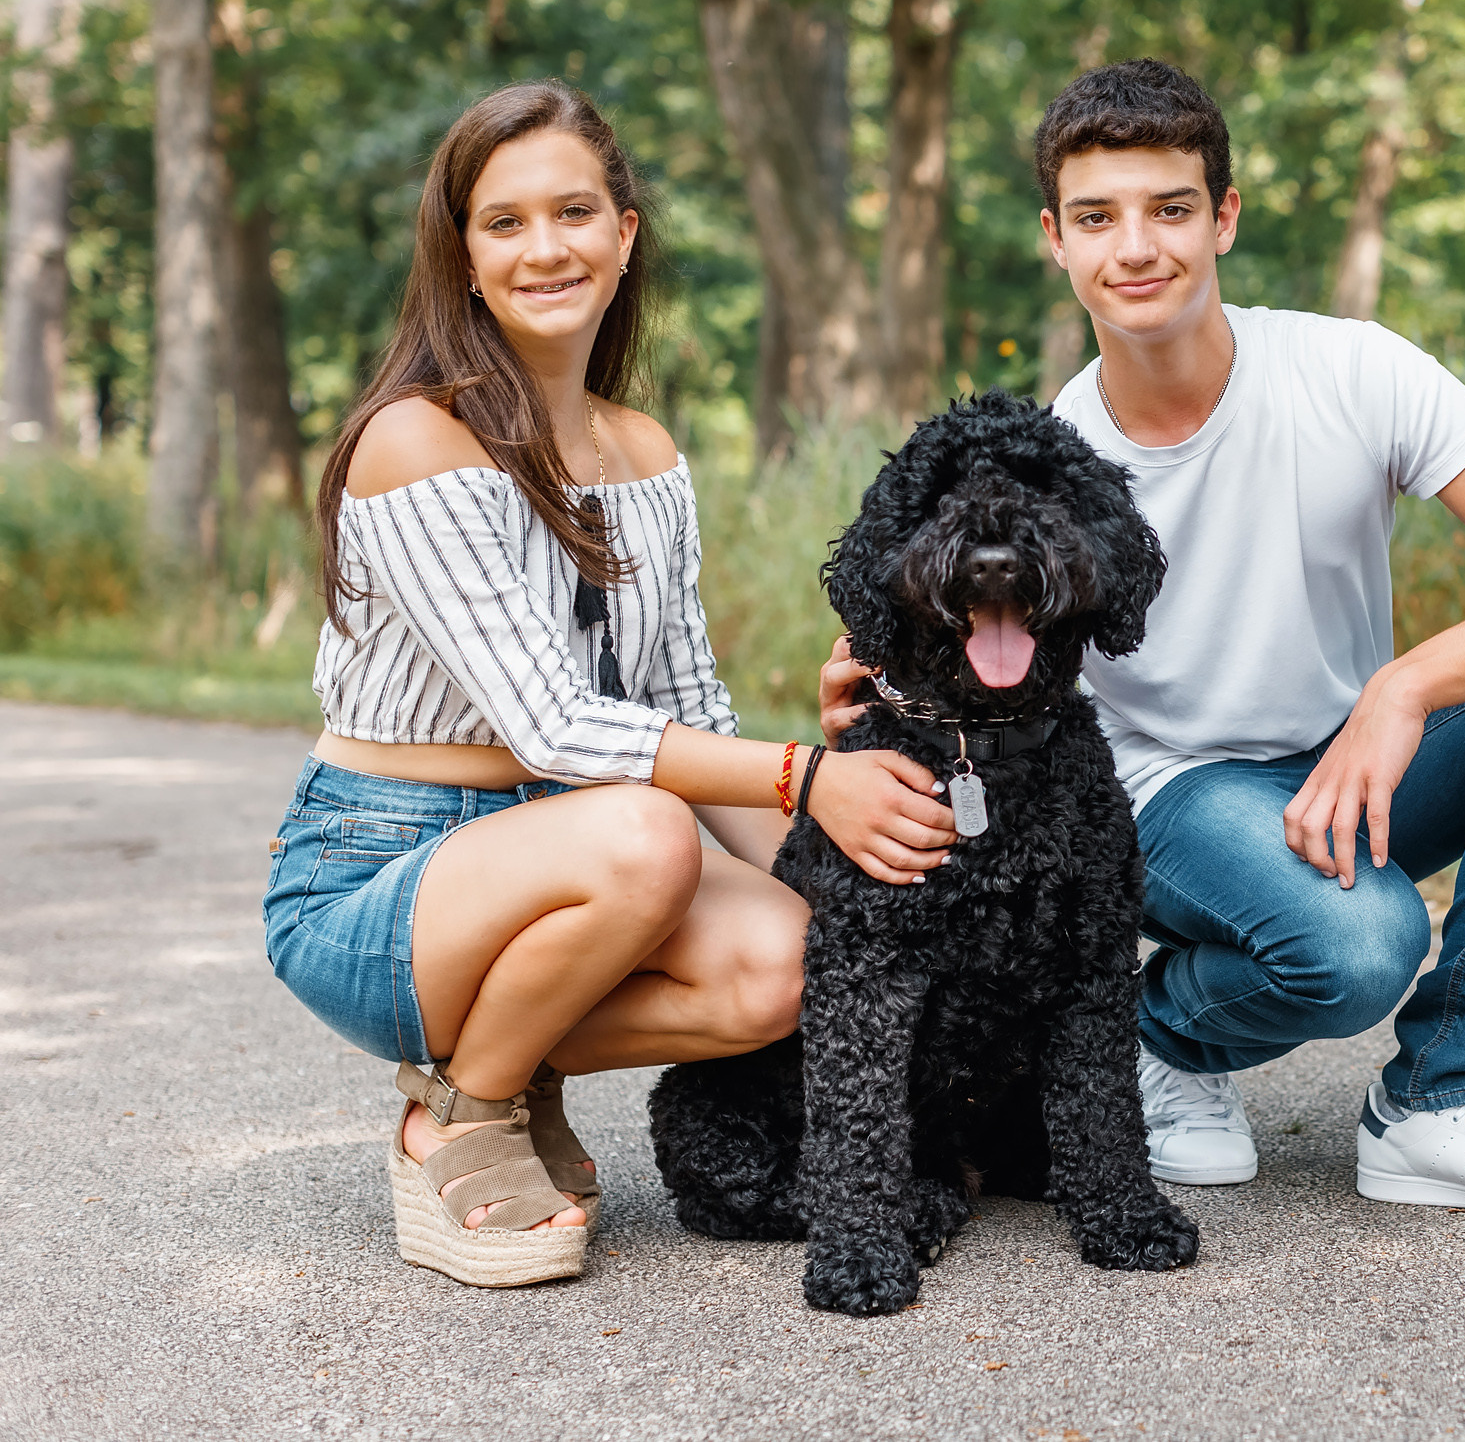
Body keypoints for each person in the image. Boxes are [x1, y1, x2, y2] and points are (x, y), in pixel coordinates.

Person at [823, 59, 1465, 1225]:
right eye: (1096, 218)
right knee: (1358, 946)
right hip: (1162, 794)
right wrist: (872, 691)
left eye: (1169, 209)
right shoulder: (1046, 456)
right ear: (1054, 241)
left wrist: (1405, 688)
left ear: (1222, 217)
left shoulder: (1352, 369)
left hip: (1351, 762)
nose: (1135, 248)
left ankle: (1445, 1090)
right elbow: (916, 619)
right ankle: (1148, 1037)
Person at [267, 80, 957, 1288]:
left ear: (624, 234)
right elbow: (554, 725)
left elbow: (689, 710)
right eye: (505, 222)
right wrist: (809, 777)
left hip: (575, 855)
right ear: (463, 256)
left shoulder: (644, 454)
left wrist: (841, 858)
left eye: (574, 212)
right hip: (380, 877)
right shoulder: (413, 439)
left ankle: (501, 1052)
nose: (546, 248)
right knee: (645, 833)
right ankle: (464, 1115)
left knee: (794, 960)